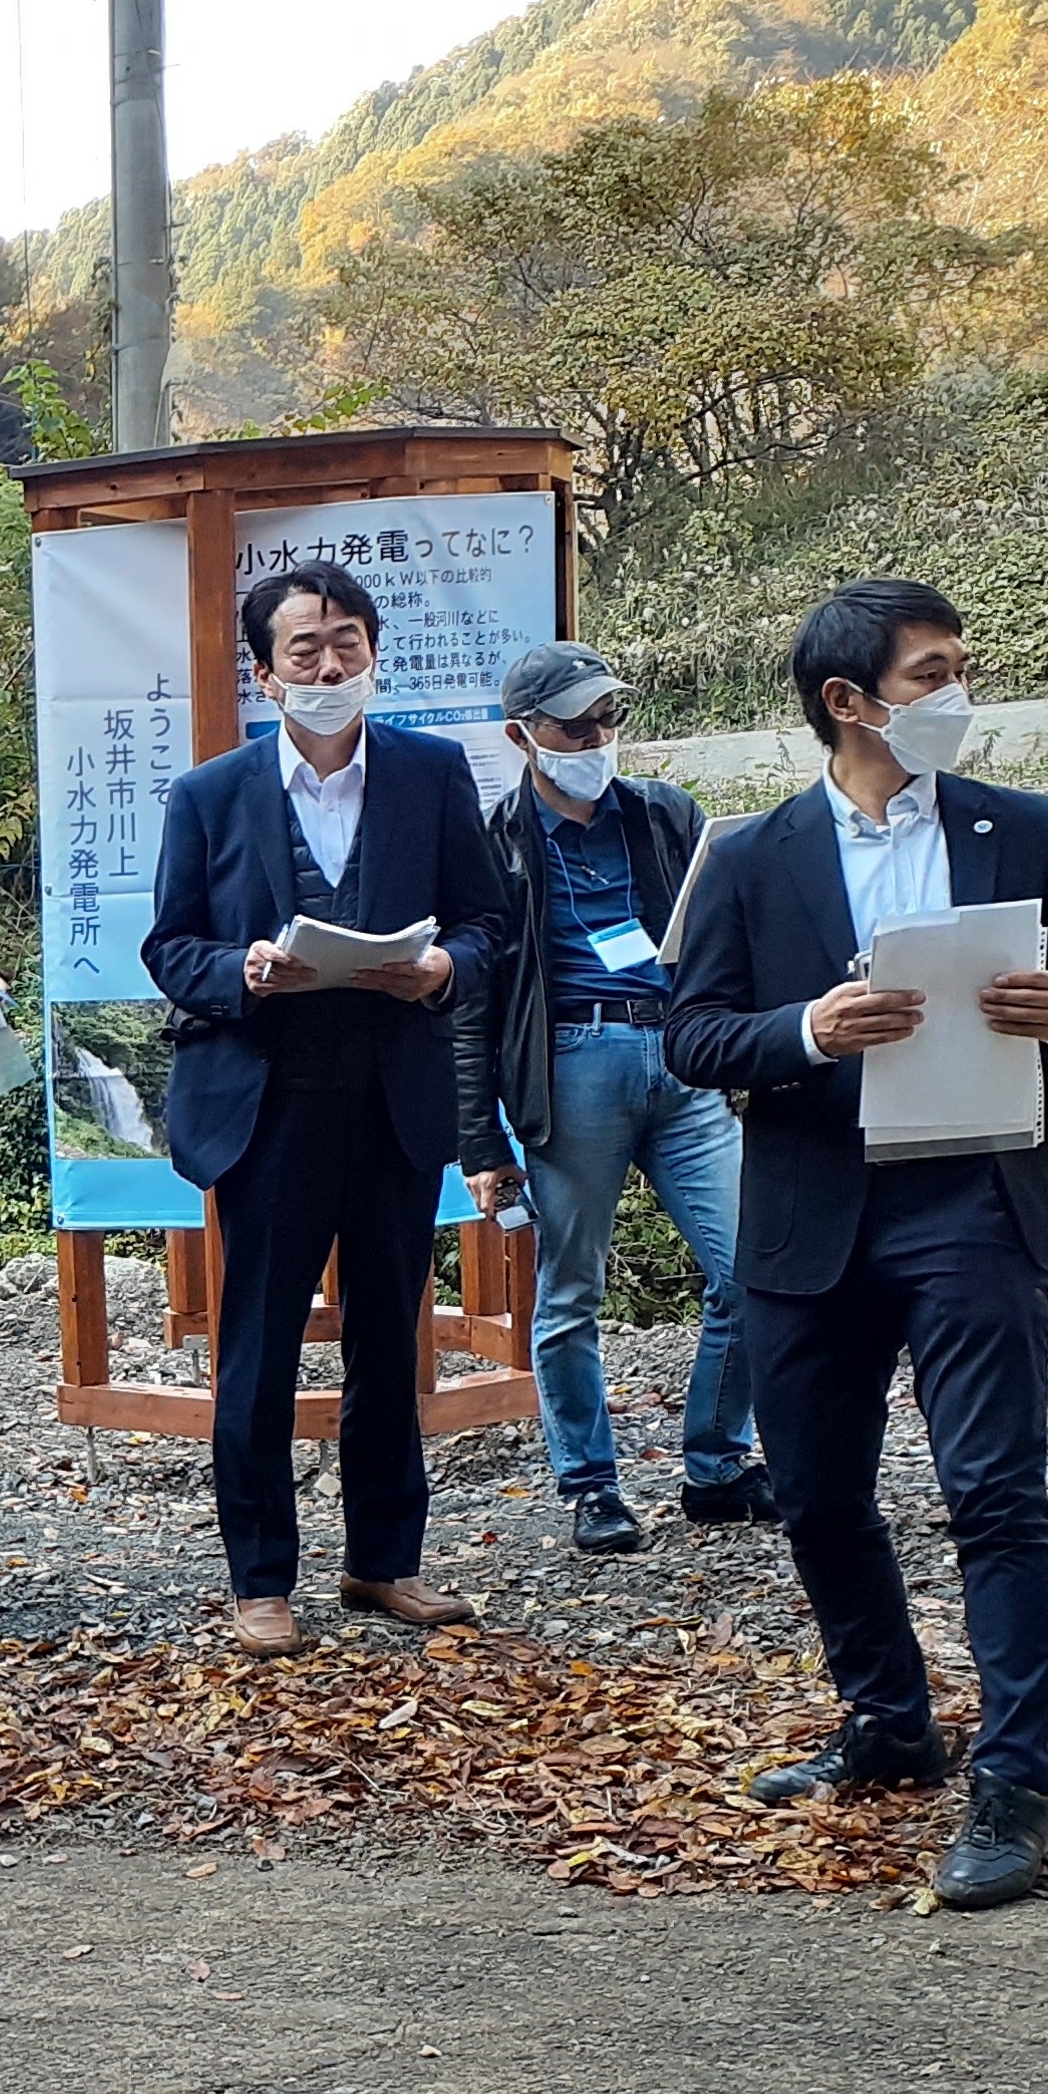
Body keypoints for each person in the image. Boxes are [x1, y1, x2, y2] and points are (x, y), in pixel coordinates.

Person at [663, 579, 1048, 1912]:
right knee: (816, 1495)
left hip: (974, 1198)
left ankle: (1017, 1777)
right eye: (932, 674)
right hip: (810, 1210)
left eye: (960, 668)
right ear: (847, 701)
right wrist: (806, 1030)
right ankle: (888, 1723)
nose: (957, 694)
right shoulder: (752, 857)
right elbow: (690, 1035)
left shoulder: (1017, 828)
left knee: (995, 1492)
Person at [143, 560, 502, 1655]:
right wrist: (242, 970)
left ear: (375, 657)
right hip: (270, 1102)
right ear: (266, 673)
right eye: (305, 648)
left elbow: (488, 926)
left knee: (391, 1339)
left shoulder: (432, 774)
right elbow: (171, 946)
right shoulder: (210, 794)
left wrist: (440, 969)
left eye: (349, 644)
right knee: (258, 1344)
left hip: (393, 1097)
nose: (331, 666)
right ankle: (261, 1578)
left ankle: (384, 1560)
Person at [453, 639, 770, 1554]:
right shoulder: (495, 842)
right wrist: (481, 1144)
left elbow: (727, 931)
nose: (597, 738)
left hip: (682, 1053)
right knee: (570, 1289)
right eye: (574, 726)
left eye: (607, 719)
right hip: (570, 1063)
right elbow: (470, 1006)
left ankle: (717, 1465)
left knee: (752, 1269)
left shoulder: (665, 814)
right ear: (521, 735)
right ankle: (590, 1484)